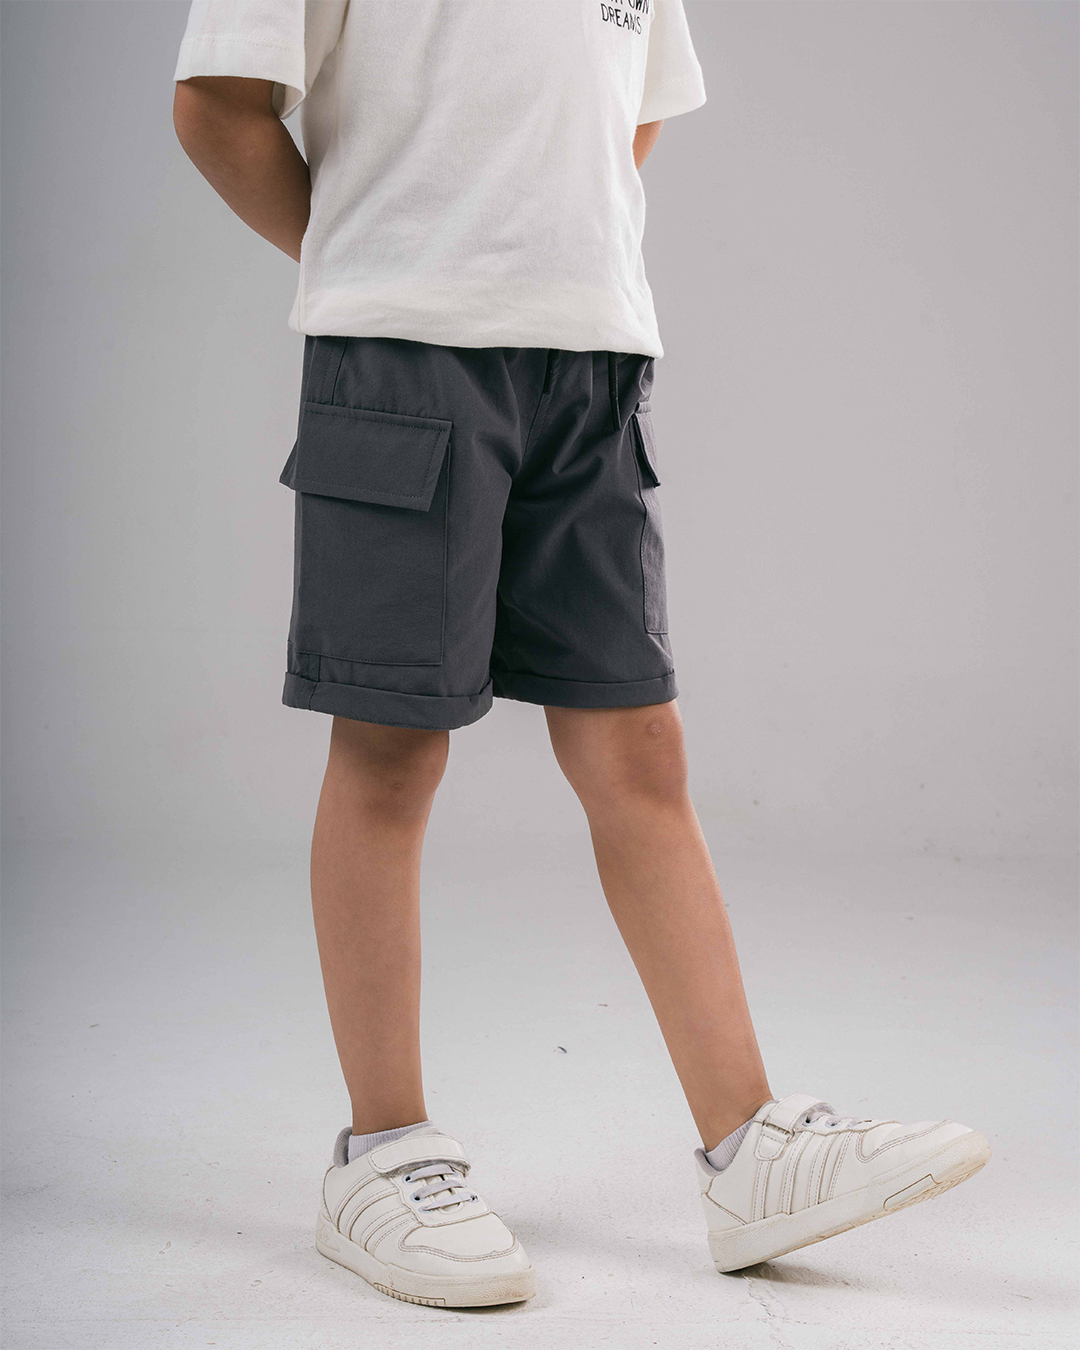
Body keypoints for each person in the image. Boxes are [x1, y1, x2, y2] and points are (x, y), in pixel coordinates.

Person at [172, 0, 989, 1308]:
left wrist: (537, 259)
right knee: (391, 746)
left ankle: (749, 1147)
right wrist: (380, 251)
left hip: (594, 362)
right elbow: (217, 104)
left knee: (639, 747)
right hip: (403, 353)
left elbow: (627, 115)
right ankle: (382, 1152)